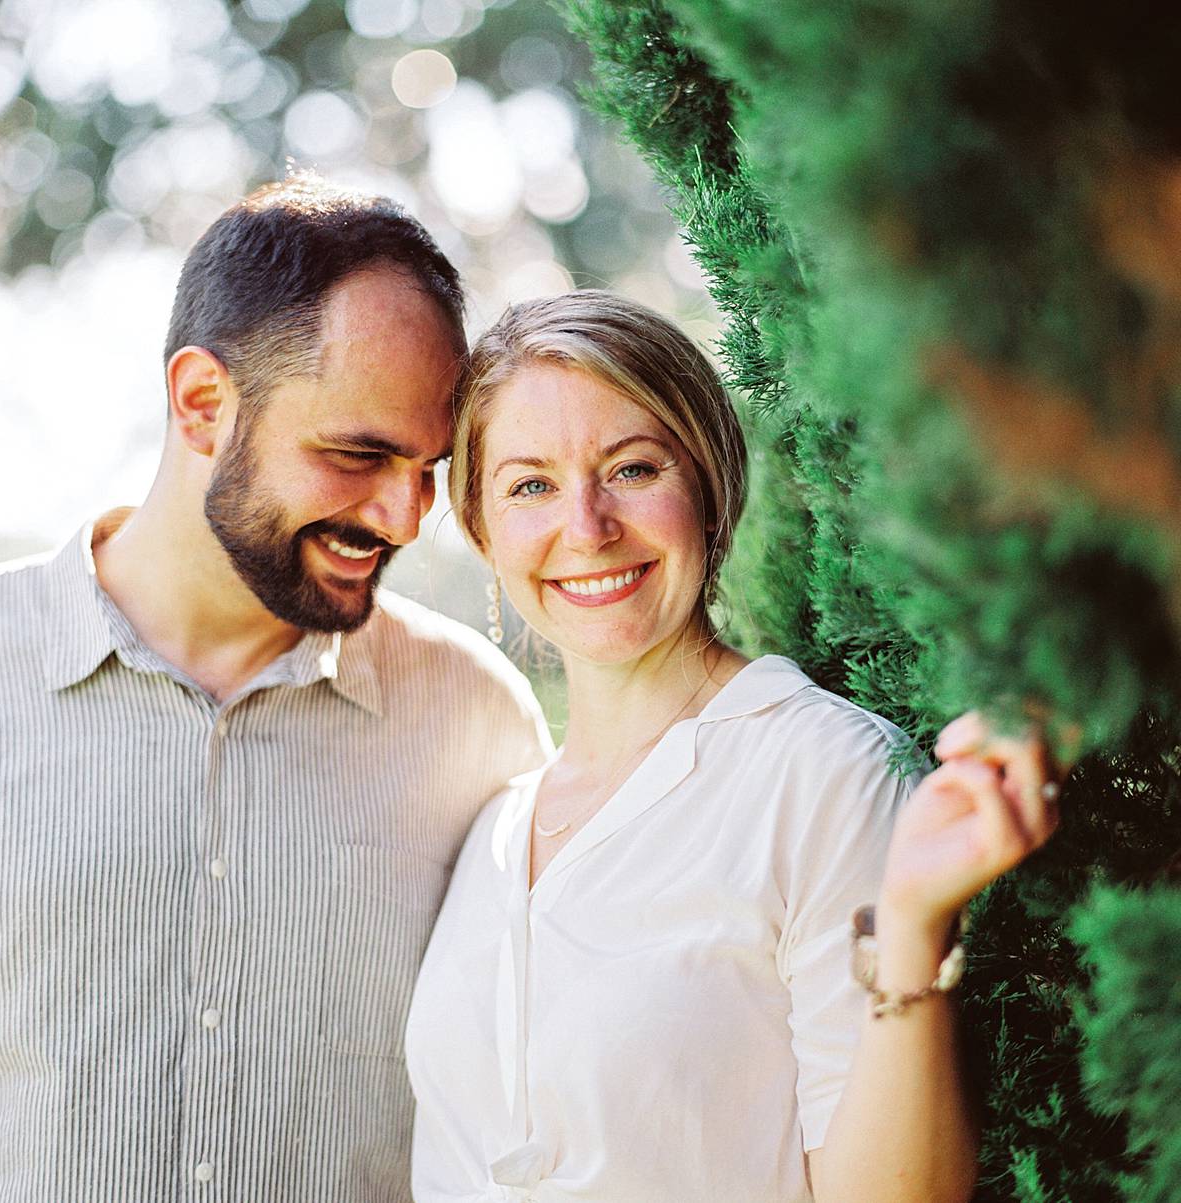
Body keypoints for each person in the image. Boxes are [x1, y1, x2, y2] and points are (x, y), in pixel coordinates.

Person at [404, 290, 1060, 1203]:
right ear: (481, 527)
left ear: (708, 489)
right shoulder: (493, 824)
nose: (586, 527)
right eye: (531, 485)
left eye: (632, 469)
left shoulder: (825, 771)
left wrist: (909, 927)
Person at [0, 175, 550, 1202]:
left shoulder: (479, 722)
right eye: (357, 454)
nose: (402, 515)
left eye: (426, 468)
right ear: (203, 402)